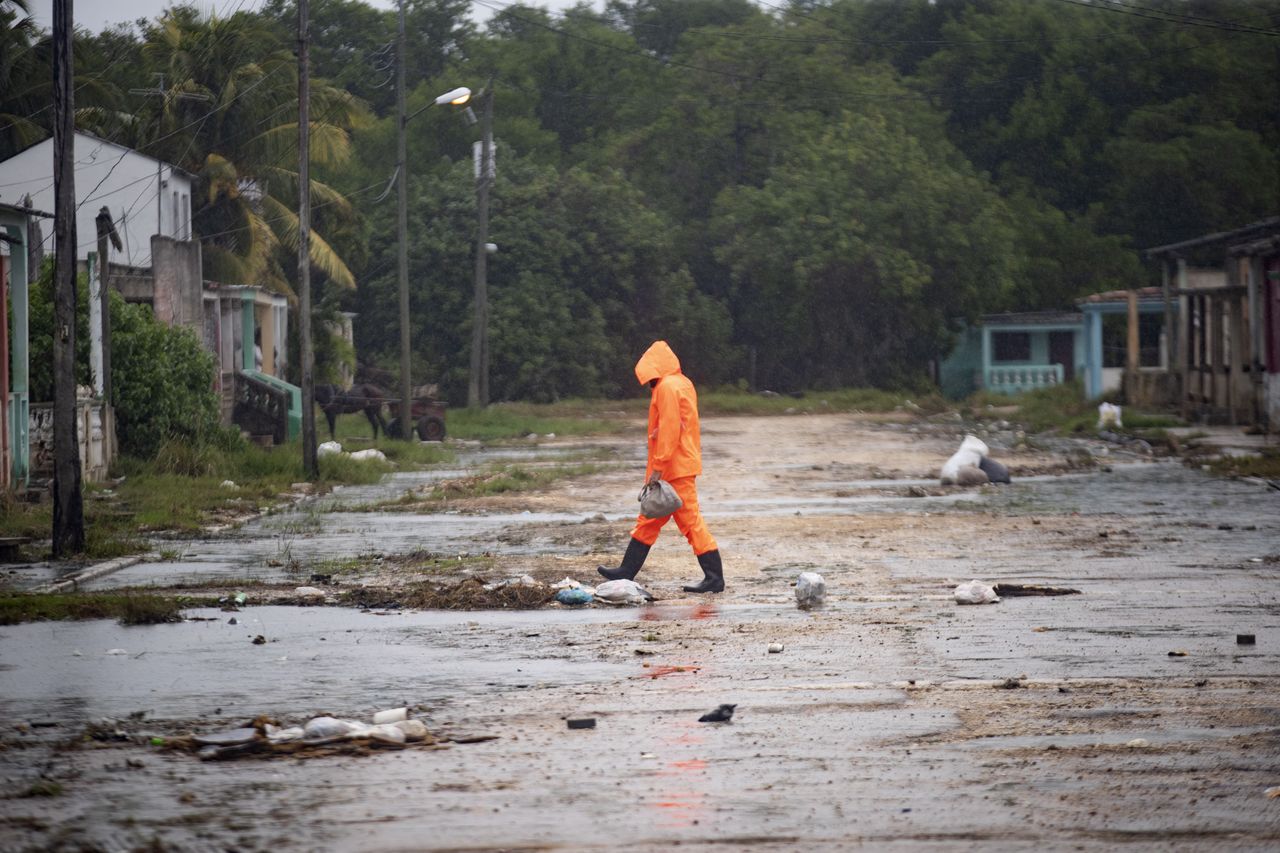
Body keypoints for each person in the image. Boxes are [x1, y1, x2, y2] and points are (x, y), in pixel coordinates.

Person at [598, 340, 725, 593]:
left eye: (649, 380)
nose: (649, 385)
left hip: (674, 468)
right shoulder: (682, 383)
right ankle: (627, 571)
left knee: (690, 523)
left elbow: (669, 428)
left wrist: (658, 466)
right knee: (649, 519)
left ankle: (714, 578)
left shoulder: (667, 387)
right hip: (679, 464)